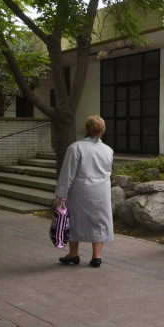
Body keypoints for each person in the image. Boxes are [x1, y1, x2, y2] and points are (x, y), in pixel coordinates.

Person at [55, 115, 114, 268]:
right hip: (101, 189)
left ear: (87, 129)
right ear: (103, 130)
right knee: (99, 221)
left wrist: (62, 193)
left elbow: (68, 173)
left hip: (81, 189)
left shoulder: (76, 147)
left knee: (74, 220)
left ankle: (73, 254)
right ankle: (96, 256)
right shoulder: (108, 150)